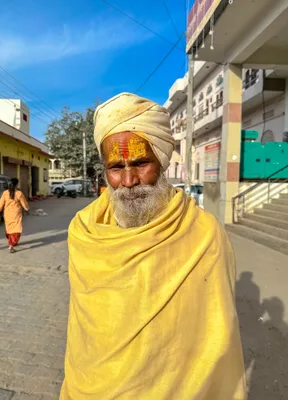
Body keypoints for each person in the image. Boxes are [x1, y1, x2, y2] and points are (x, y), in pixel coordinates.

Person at [60, 93, 246, 400]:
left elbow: (218, 335)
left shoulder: (203, 233)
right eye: (116, 167)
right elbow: (84, 333)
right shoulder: (84, 232)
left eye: (141, 163)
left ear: (160, 160)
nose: (130, 180)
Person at [0, 178, 29, 253]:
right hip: (16, 214)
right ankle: (11, 245)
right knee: (16, 230)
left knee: (9, 229)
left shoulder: (5, 193)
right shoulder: (19, 193)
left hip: (7, 214)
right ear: (16, 184)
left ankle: (12, 242)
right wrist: (26, 209)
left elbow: (0, 204)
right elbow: (24, 204)